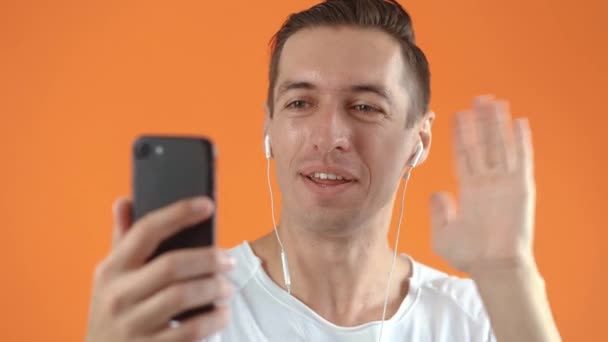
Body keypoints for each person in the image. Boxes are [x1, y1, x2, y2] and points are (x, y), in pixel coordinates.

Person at [85, 0, 561, 341]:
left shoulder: (488, 315)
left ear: (420, 140)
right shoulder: (179, 311)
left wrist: (508, 274)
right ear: (268, 126)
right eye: (300, 102)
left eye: (364, 106)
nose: (330, 134)